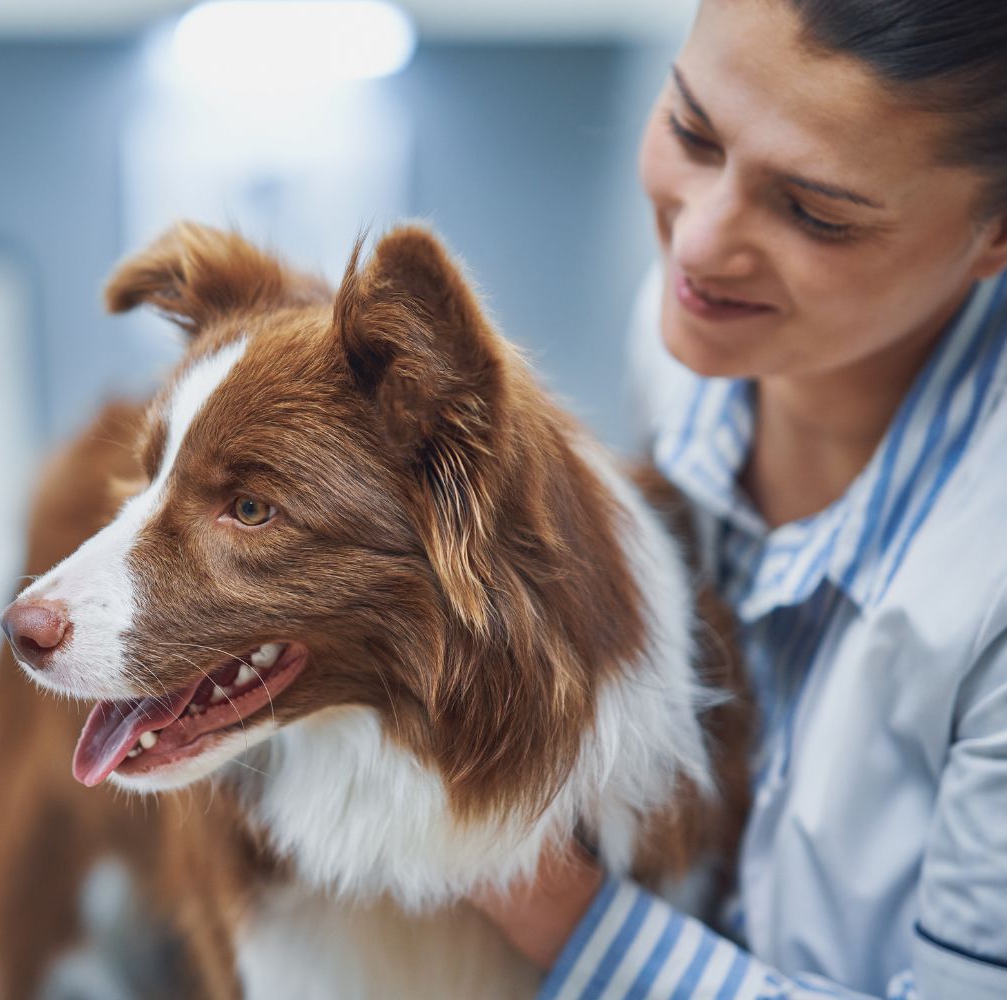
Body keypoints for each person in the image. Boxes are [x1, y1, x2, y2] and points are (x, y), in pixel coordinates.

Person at [470, 0, 1007, 997]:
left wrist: (557, 910)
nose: (703, 245)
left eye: (816, 213)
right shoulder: (685, 347)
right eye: (690, 131)